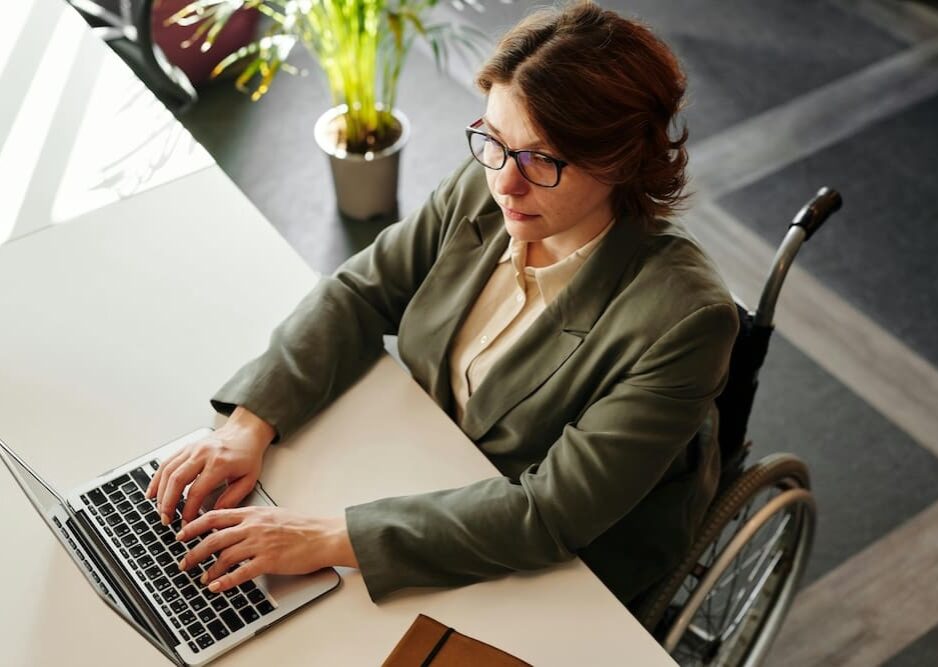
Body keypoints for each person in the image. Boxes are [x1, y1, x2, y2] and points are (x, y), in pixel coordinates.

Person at [146, 0, 739, 620]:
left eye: (542, 159)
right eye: (495, 140)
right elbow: (363, 292)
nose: (505, 182)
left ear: (618, 161)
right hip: (428, 466)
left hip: (570, 552)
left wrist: (325, 538)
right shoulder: (491, 187)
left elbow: (549, 514)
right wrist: (251, 423)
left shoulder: (685, 321)